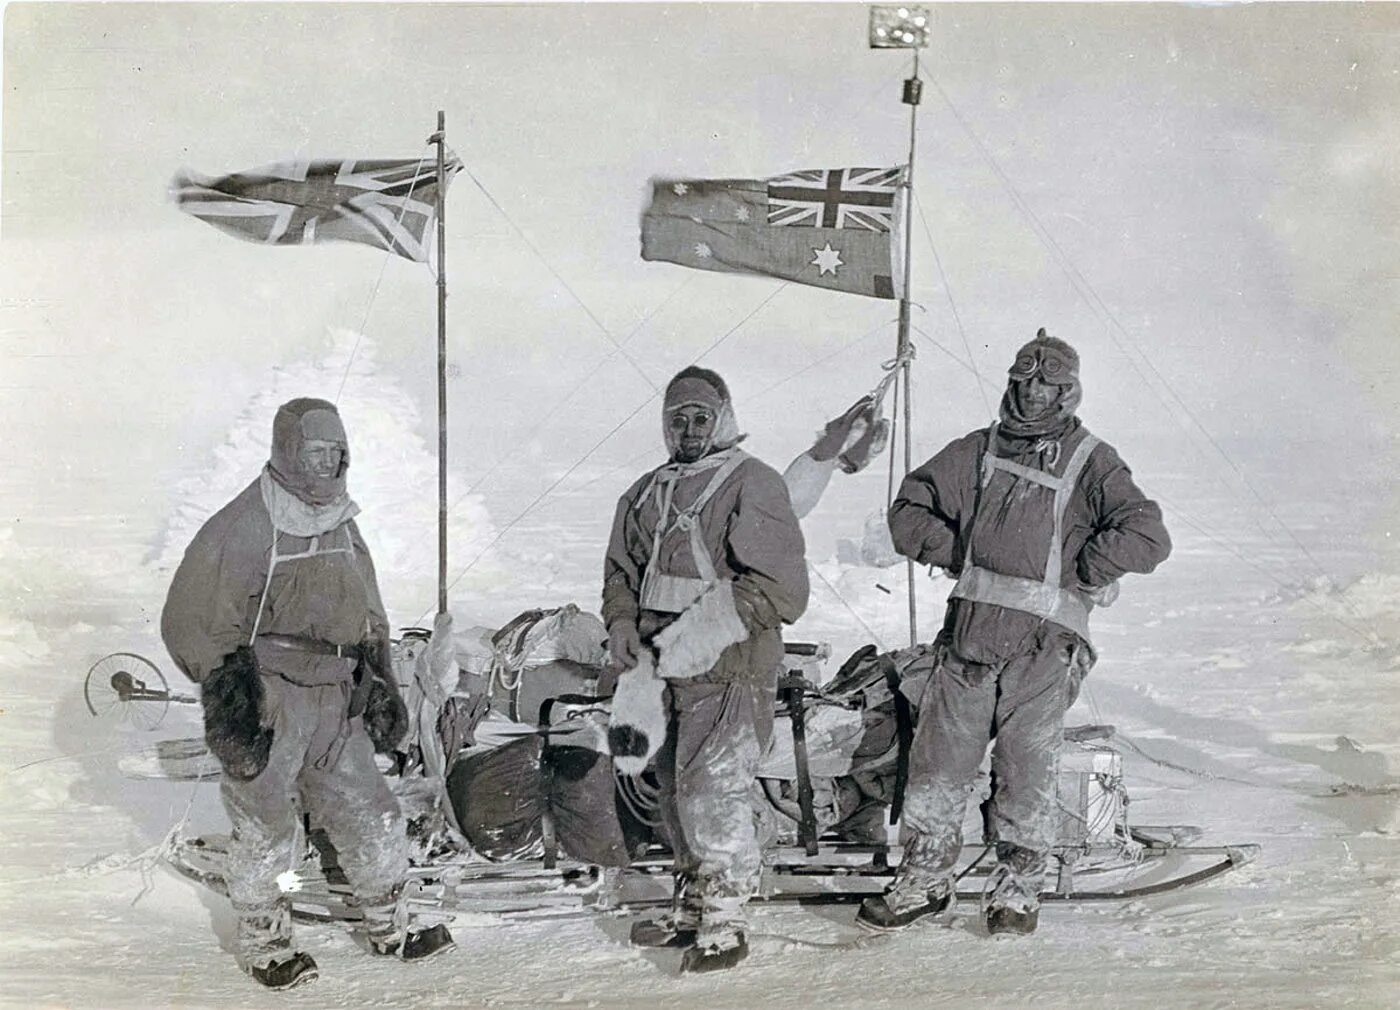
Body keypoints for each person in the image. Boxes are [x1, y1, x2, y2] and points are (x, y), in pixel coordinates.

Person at [856, 330, 1172, 937]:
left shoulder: (1091, 461)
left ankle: (1017, 886)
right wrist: (961, 554)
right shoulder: (975, 451)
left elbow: (1147, 536)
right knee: (938, 764)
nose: (1032, 394)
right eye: (1023, 380)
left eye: (1047, 384)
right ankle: (925, 880)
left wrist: (1086, 568)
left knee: (1026, 768)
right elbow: (907, 512)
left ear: (1068, 391)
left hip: (1044, 650)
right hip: (970, 640)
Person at [161, 397, 454, 989]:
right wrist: (234, 703)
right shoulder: (246, 524)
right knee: (267, 826)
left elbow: (368, 606)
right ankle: (268, 945)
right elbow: (192, 619)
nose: (325, 465)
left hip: (336, 698)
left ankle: (389, 924)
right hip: (274, 698)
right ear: (286, 452)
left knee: (372, 811)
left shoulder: (342, 522)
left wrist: (378, 677)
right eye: (313, 452)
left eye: (335, 453)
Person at [603, 366, 809, 972]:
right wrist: (620, 625)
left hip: (730, 665)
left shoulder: (754, 484)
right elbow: (621, 571)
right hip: (659, 667)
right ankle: (694, 902)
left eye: (701, 417)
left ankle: (726, 918)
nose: (689, 430)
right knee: (671, 790)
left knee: (711, 788)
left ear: (724, 419)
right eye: (677, 419)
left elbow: (779, 589)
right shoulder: (644, 492)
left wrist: (703, 632)